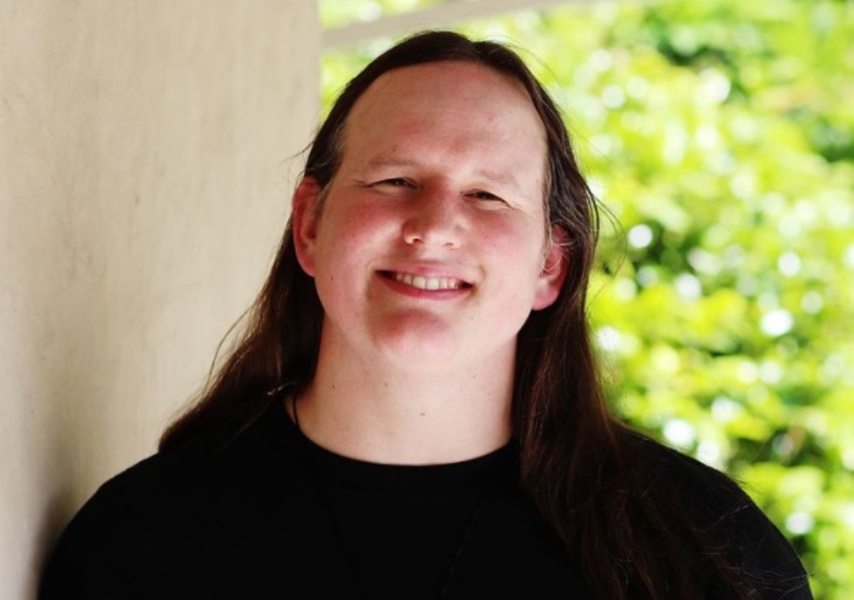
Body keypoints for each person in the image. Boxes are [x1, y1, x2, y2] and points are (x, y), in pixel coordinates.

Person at [40, 30, 812, 599]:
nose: (435, 226)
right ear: (309, 227)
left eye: (487, 194)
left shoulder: (704, 552)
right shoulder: (142, 544)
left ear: (550, 265)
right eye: (395, 180)